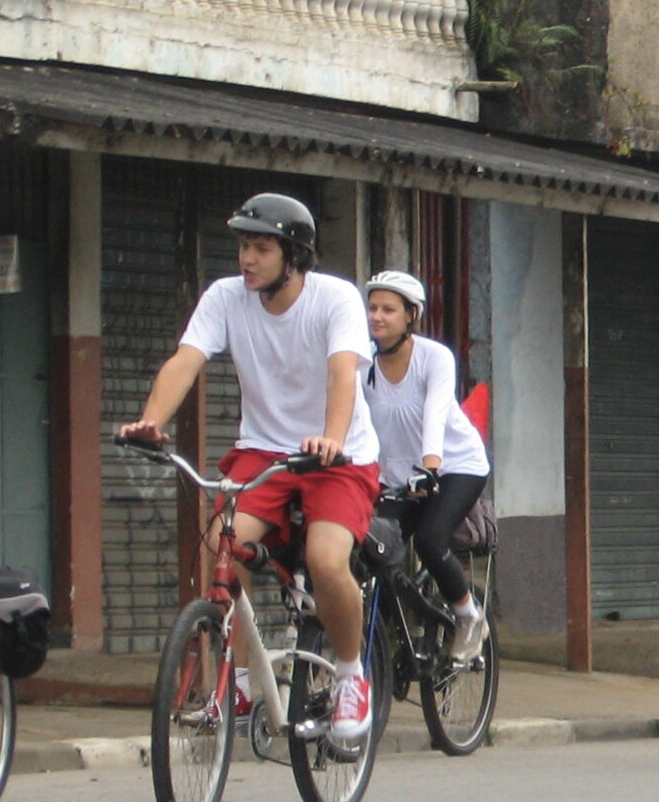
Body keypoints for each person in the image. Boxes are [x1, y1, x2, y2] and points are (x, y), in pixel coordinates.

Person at [117, 193, 382, 753]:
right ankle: (236, 680)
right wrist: (149, 421)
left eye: (261, 247)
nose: (246, 258)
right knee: (220, 548)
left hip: (338, 456)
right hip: (262, 451)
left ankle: (351, 675)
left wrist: (331, 437)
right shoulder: (225, 299)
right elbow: (185, 360)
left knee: (326, 559)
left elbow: (342, 374)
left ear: (293, 255)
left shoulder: (334, 299)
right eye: (242, 246)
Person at [361, 270, 491, 663]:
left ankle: (469, 616)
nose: (376, 316)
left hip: (454, 465)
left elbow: (434, 415)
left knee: (431, 539)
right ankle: (388, 636)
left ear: (411, 315)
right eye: (371, 307)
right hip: (396, 475)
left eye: (388, 309)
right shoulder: (361, 361)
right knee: (367, 545)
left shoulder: (434, 357)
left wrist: (430, 467)